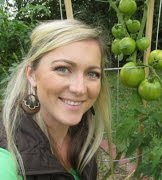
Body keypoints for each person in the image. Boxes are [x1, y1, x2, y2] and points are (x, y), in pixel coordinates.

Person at [0, 19, 113, 180]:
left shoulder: (81, 133)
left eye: (92, 73)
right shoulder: (6, 166)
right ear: (32, 75)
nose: (80, 89)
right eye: (63, 69)